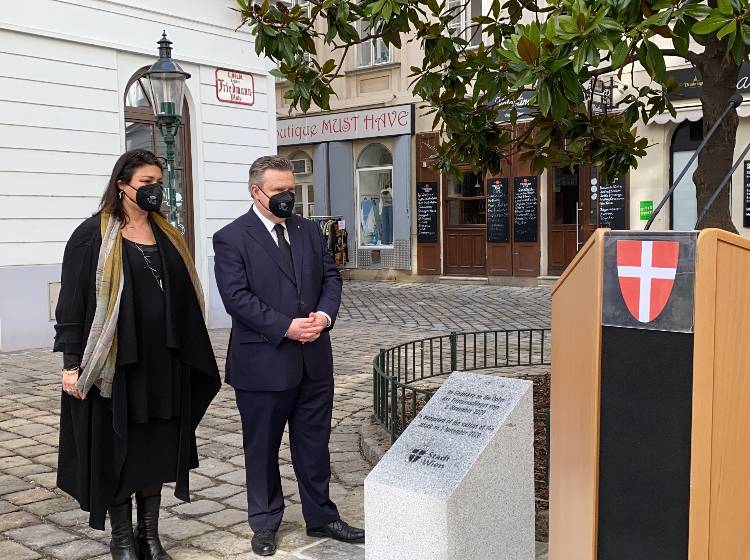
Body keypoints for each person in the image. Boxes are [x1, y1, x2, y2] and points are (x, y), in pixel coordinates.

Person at [54, 150, 221, 560]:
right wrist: (72, 365)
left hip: (165, 362)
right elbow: (72, 304)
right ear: (122, 185)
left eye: (158, 183)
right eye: (145, 183)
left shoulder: (169, 233)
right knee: (119, 453)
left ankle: (150, 536)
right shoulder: (92, 235)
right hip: (118, 365)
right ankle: (123, 540)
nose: (154, 191)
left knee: (158, 451)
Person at [213, 156, 364, 557]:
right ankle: (264, 523)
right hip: (263, 363)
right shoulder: (231, 237)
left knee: (314, 444)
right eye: (278, 191)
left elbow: (331, 278)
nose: (287, 198)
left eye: (291, 191)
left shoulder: (309, 231)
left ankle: (322, 516)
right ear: (256, 192)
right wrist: (286, 326)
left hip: (314, 358)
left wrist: (324, 316)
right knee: (261, 448)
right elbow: (236, 299)